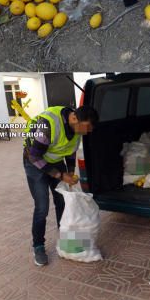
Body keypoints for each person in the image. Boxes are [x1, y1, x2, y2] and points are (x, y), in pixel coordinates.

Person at [23, 104, 99, 266]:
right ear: (74, 118)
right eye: (87, 128)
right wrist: (60, 175)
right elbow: (35, 156)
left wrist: (70, 171)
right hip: (34, 163)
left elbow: (70, 150)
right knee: (42, 206)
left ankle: (66, 238)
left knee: (63, 201)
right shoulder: (48, 124)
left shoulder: (78, 128)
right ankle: (38, 246)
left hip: (55, 161)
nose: (88, 132)